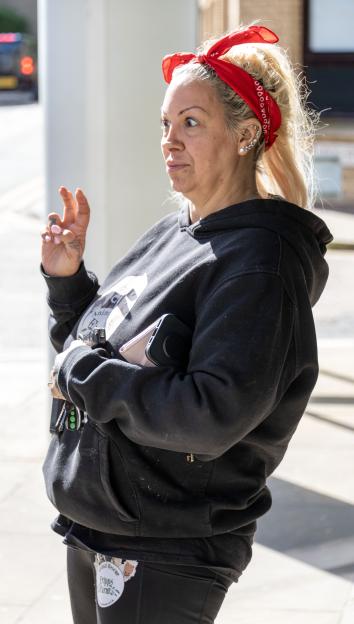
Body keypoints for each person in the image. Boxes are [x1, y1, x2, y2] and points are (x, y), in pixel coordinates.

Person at [41, 24, 333, 624]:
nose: (170, 141)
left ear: (247, 133)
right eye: (165, 125)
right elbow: (95, 347)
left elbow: (210, 414)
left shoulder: (259, 264)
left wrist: (84, 375)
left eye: (191, 123)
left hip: (163, 549)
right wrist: (69, 285)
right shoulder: (178, 233)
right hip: (102, 528)